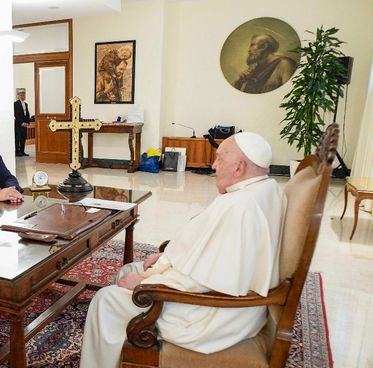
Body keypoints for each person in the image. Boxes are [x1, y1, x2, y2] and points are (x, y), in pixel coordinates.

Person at [80, 132, 287, 368]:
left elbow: (202, 281)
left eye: (220, 159)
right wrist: (167, 258)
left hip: (212, 317)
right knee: (129, 269)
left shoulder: (240, 207)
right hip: (233, 307)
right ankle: (127, 360)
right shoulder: (265, 189)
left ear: (239, 167)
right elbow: (214, 257)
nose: (213, 166)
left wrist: (145, 282)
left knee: (105, 300)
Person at [232, 34, 297, 94]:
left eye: (253, 45)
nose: (249, 50)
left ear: (264, 46)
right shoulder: (254, 69)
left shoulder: (285, 64)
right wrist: (237, 83)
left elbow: (290, 93)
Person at [13, 90, 31, 157]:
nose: (23, 97)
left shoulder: (26, 104)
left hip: (25, 124)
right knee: (18, 138)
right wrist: (22, 123)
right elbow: (16, 115)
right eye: (21, 95)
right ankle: (17, 151)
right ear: (19, 96)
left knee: (23, 138)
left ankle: (22, 151)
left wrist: (27, 122)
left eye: (24, 95)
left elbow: (27, 114)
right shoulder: (16, 104)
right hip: (19, 124)